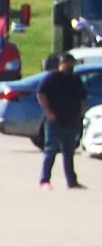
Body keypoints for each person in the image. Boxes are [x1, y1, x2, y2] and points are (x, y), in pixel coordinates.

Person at [37, 52, 87, 190]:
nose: (70, 66)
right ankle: (45, 180)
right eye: (67, 63)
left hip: (72, 120)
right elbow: (41, 94)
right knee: (51, 151)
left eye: (72, 63)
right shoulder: (52, 78)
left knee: (69, 153)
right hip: (55, 121)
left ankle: (72, 181)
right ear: (61, 64)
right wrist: (48, 112)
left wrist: (80, 113)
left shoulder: (75, 79)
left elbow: (83, 97)